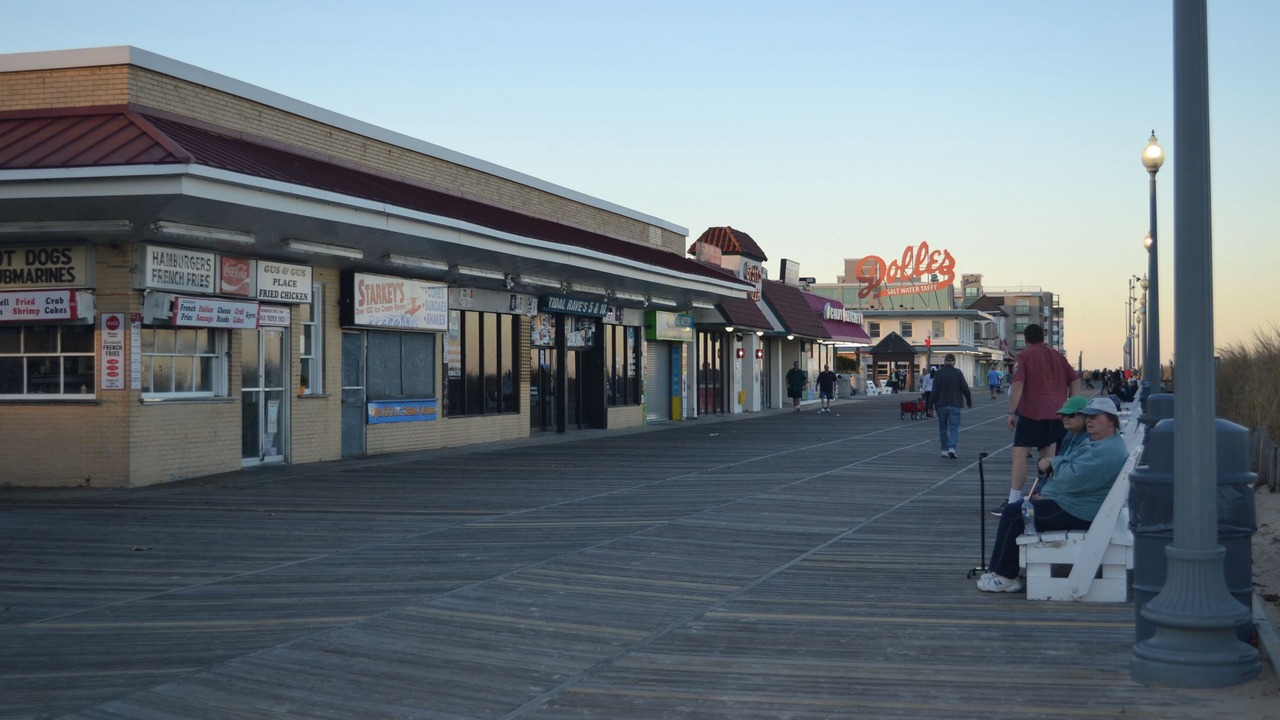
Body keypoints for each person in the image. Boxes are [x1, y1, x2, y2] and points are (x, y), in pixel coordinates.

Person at [977, 396, 1130, 592]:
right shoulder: (1101, 444)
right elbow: (1071, 466)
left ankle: (1004, 576)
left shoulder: (1105, 451)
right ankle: (1004, 571)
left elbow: (1070, 479)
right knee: (1020, 510)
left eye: (1095, 417)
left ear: (1111, 420)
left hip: (1078, 511)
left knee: (1014, 514)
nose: (1089, 421)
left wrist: (1054, 464)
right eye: (1087, 417)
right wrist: (1058, 469)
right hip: (1078, 504)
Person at [995, 324, 1080, 516]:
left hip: (1032, 413)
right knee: (1047, 458)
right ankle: (1043, 494)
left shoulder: (1024, 356)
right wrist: (1071, 404)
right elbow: (1075, 380)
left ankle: (1013, 501)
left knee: (1019, 455)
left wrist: (1011, 412)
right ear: (1043, 337)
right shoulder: (1059, 357)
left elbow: (1017, 383)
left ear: (1026, 340)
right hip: (1057, 415)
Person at [926, 354, 971, 458]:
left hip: (941, 404)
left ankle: (944, 450)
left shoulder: (938, 374)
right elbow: (965, 388)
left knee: (943, 428)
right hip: (955, 404)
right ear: (954, 362)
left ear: (944, 362)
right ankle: (952, 448)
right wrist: (968, 401)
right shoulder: (958, 373)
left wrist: (929, 406)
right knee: (954, 427)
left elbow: (934, 391)